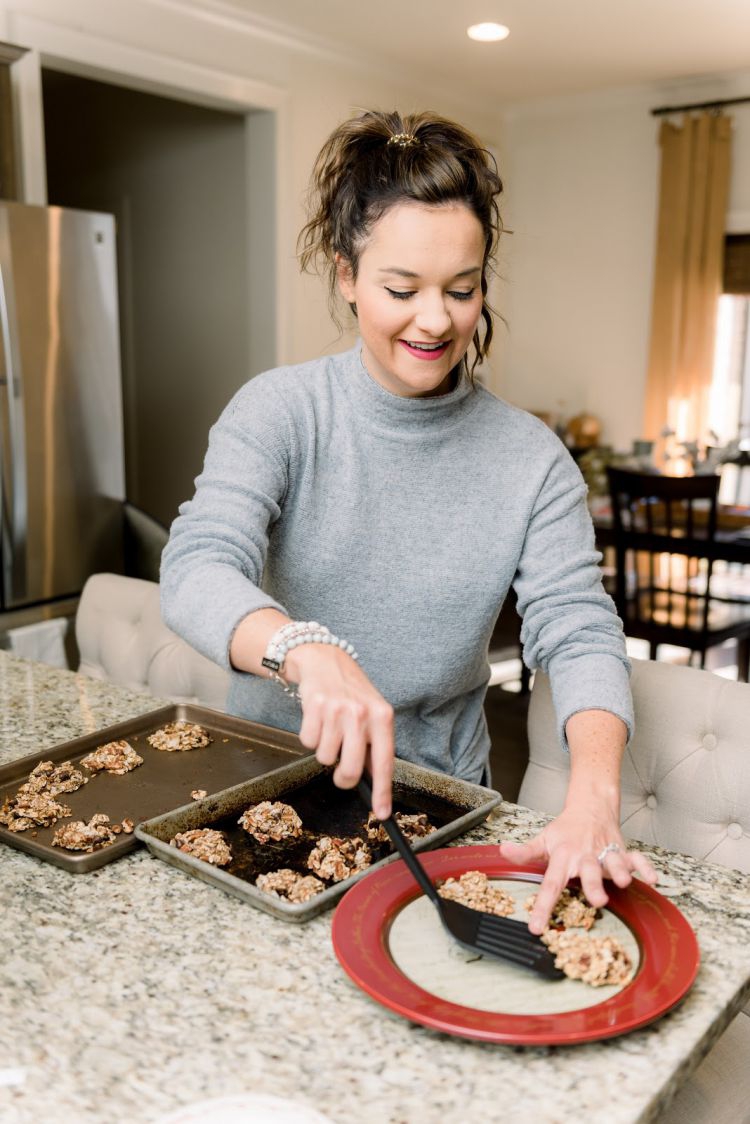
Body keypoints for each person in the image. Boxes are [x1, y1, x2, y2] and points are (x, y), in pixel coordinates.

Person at [161, 108, 657, 933]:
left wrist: (594, 795)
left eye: (462, 290)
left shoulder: (530, 460)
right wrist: (301, 648)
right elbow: (197, 565)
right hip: (262, 788)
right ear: (346, 272)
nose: (435, 320)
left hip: (439, 807)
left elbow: (577, 630)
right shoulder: (281, 412)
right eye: (401, 289)